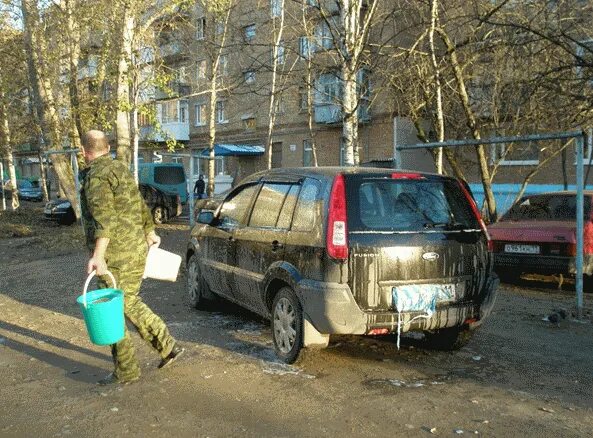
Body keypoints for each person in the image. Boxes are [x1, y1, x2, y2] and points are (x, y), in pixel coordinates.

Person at [79, 130, 183, 385]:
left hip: (115, 255)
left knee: (111, 310)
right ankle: (167, 346)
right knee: (129, 302)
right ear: (107, 147)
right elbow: (139, 203)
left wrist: (98, 256)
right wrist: (149, 231)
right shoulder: (120, 169)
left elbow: (104, 219)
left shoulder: (97, 177)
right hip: (135, 248)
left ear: (84, 152)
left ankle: (126, 369)